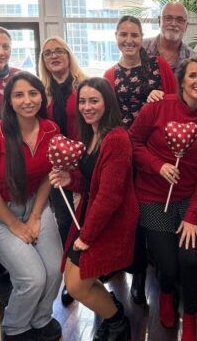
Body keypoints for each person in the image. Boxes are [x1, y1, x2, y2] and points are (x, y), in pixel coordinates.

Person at [129, 56, 197, 341]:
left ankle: (189, 315)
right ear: (181, 82)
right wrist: (158, 165)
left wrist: (193, 215)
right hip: (153, 197)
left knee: (190, 260)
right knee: (167, 265)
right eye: (192, 75)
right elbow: (133, 141)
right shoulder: (157, 107)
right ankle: (166, 292)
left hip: (189, 200)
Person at [0, 72, 62, 341]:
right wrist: (14, 224)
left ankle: (41, 318)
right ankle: (15, 327)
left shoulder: (51, 130)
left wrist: (35, 216)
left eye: (33, 93)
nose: (27, 100)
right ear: (9, 101)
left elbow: (48, 176)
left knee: (54, 269)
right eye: (19, 95)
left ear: (42, 97)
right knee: (32, 278)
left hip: (36, 204)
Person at [49, 78, 138, 341]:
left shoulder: (117, 139)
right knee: (75, 278)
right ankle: (111, 310)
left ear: (107, 103)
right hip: (93, 215)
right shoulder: (90, 133)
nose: (87, 107)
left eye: (94, 101)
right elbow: (92, 182)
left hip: (110, 222)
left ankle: (117, 322)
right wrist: (70, 180)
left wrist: (86, 236)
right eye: (82, 101)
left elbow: (110, 196)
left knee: (77, 284)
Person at [104, 15, 176, 305]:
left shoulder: (159, 66)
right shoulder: (110, 75)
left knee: (155, 214)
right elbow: (109, 119)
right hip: (127, 155)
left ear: (142, 37)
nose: (129, 40)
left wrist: (161, 98)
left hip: (159, 153)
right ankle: (138, 275)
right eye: (123, 34)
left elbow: (175, 104)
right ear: (116, 37)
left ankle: (164, 271)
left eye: (134, 34)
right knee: (132, 216)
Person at [38, 36, 86, 305]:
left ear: (68, 55)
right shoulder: (40, 91)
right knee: (65, 221)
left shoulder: (83, 85)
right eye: (48, 53)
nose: (54, 56)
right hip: (54, 166)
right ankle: (70, 277)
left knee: (86, 219)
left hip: (83, 162)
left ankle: (88, 272)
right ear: (43, 60)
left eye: (59, 51)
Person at [141, 1, 197, 73]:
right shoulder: (140, 48)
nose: (173, 24)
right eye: (168, 18)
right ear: (159, 21)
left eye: (179, 20)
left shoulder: (193, 59)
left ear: (186, 26)